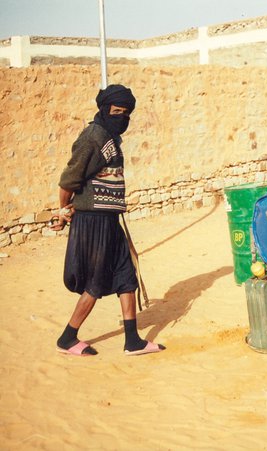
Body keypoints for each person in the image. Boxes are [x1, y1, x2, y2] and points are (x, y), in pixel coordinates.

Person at [51, 84, 165, 357]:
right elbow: (69, 180)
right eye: (116, 111)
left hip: (110, 218)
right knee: (97, 280)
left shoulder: (111, 138)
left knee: (126, 275)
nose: (121, 117)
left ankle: (132, 340)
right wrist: (64, 210)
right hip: (93, 221)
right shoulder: (94, 136)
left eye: (126, 113)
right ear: (104, 110)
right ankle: (68, 337)